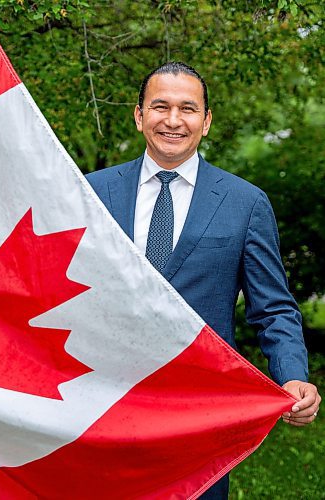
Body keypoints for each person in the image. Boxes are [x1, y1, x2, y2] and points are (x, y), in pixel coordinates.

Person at [86, 62, 321, 499]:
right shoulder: (90, 192)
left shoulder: (244, 202)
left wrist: (292, 374)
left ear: (206, 121)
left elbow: (273, 307)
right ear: (139, 116)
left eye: (187, 109)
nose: (173, 120)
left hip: (199, 412)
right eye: (160, 106)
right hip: (101, 404)